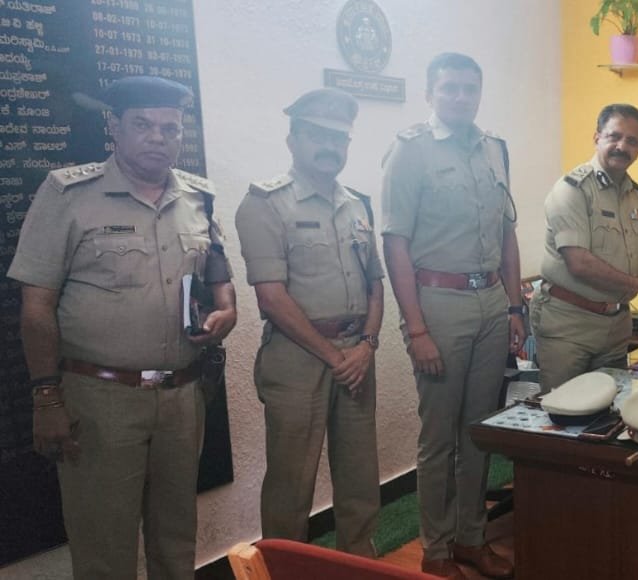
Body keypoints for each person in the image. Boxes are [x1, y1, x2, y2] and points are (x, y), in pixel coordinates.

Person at [11, 76, 237, 580]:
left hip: (182, 396)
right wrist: (46, 398)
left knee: (176, 539)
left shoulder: (198, 197)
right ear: (114, 126)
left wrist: (228, 311)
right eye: (143, 125)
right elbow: (36, 306)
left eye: (170, 128)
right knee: (104, 546)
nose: (158, 137)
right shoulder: (69, 194)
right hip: (101, 400)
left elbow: (219, 275)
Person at [381, 52, 521, 580]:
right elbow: (395, 242)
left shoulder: (494, 148)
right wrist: (416, 328)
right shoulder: (410, 150)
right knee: (439, 437)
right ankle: (436, 549)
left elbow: (507, 232)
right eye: (450, 88)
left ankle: (471, 538)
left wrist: (515, 306)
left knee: (478, 430)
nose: (461, 97)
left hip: (491, 301)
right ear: (430, 93)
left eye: (469, 88)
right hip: (438, 303)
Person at [236, 88, 382, 556]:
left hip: (357, 355)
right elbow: (271, 297)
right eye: (318, 134)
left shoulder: (357, 203)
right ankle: (283, 570)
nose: (329, 146)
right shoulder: (265, 203)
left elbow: (375, 284)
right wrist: (336, 357)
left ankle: (359, 564)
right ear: (293, 139)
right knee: (290, 484)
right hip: (297, 358)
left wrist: (367, 345)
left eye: (339, 138)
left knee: (360, 478)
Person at [531, 103, 638, 391]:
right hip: (569, 326)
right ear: (597, 137)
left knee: (611, 410)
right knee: (564, 409)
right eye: (614, 136)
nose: (622, 146)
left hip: (616, 328)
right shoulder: (572, 189)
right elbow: (579, 263)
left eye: (632, 141)